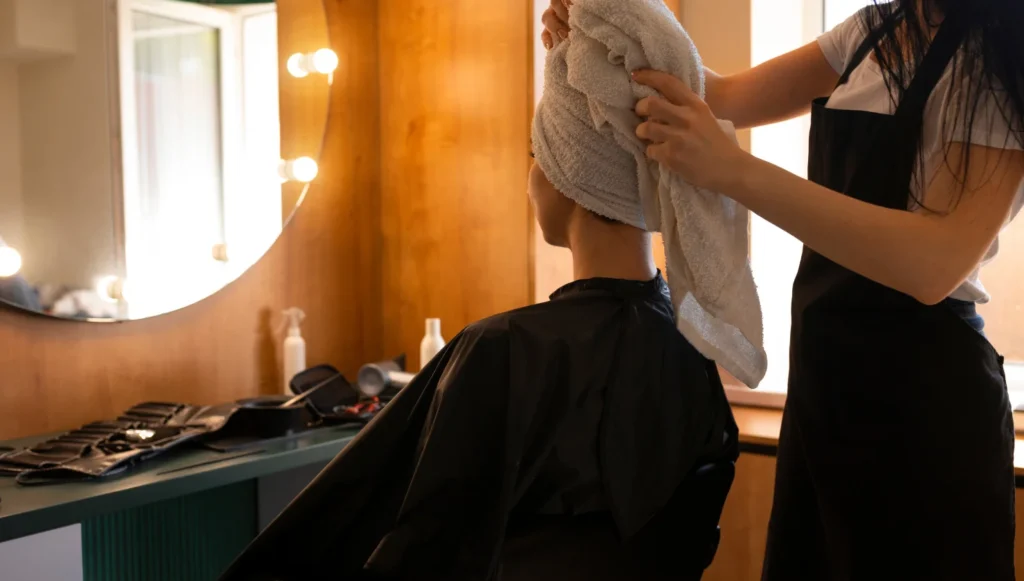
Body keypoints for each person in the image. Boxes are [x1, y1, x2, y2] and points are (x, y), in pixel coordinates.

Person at [220, 2, 742, 579]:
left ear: (566, 175)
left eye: (534, 156)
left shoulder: (503, 349)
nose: (530, 180)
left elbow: (417, 546)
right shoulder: (697, 341)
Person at [541, 0, 1024, 578]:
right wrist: (610, 25)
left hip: (928, 419)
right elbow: (717, 95)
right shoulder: (875, 30)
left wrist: (733, 171)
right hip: (825, 395)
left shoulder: (995, 60)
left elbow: (933, 264)